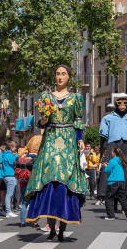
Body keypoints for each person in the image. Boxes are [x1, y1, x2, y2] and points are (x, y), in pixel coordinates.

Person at [25, 65, 88, 243]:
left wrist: (80, 139)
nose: (60, 77)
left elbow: (78, 120)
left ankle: (62, 229)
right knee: (49, 181)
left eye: (63, 74)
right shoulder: (46, 97)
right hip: (50, 140)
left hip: (68, 141)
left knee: (65, 183)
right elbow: (42, 123)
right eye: (57, 74)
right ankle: (51, 228)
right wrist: (44, 118)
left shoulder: (76, 98)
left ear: (69, 77)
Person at [96, 93, 127, 206]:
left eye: (125, 103)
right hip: (113, 143)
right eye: (119, 103)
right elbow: (103, 137)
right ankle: (106, 193)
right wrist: (102, 152)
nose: (122, 106)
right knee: (110, 167)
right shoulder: (107, 118)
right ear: (116, 104)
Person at [102, 148, 127, 221]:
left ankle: (111, 216)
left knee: (109, 199)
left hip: (113, 181)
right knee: (122, 199)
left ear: (114, 152)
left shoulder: (112, 160)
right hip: (121, 181)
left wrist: (105, 166)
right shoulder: (121, 161)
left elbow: (108, 171)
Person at [14, 150, 37, 227]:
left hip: (22, 183)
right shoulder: (35, 158)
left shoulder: (23, 158)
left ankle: (22, 222)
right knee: (32, 203)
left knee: (24, 203)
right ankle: (33, 221)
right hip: (31, 183)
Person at [2, 141, 18, 218]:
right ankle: (8, 211)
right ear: (11, 147)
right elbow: (14, 163)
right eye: (15, 147)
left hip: (7, 176)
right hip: (10, 175)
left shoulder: (5, 154)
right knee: (9, 194)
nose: (15, 149)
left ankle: (8, 210)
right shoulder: (9, 155)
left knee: (9, 194)